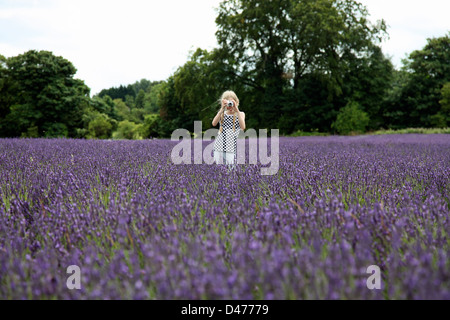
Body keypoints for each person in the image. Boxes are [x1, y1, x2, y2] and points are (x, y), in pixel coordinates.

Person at [212, 90, 246, 168]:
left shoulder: (240, 114)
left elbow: (243, 127)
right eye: (228, 103)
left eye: (232, 103)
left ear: (236, 102)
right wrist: (222, 109)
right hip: (219, 145)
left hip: (231, 146)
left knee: (231, 168)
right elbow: (214, 123)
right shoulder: (222, 114)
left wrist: (236, 109)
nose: (230, 106)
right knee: (218, 168)